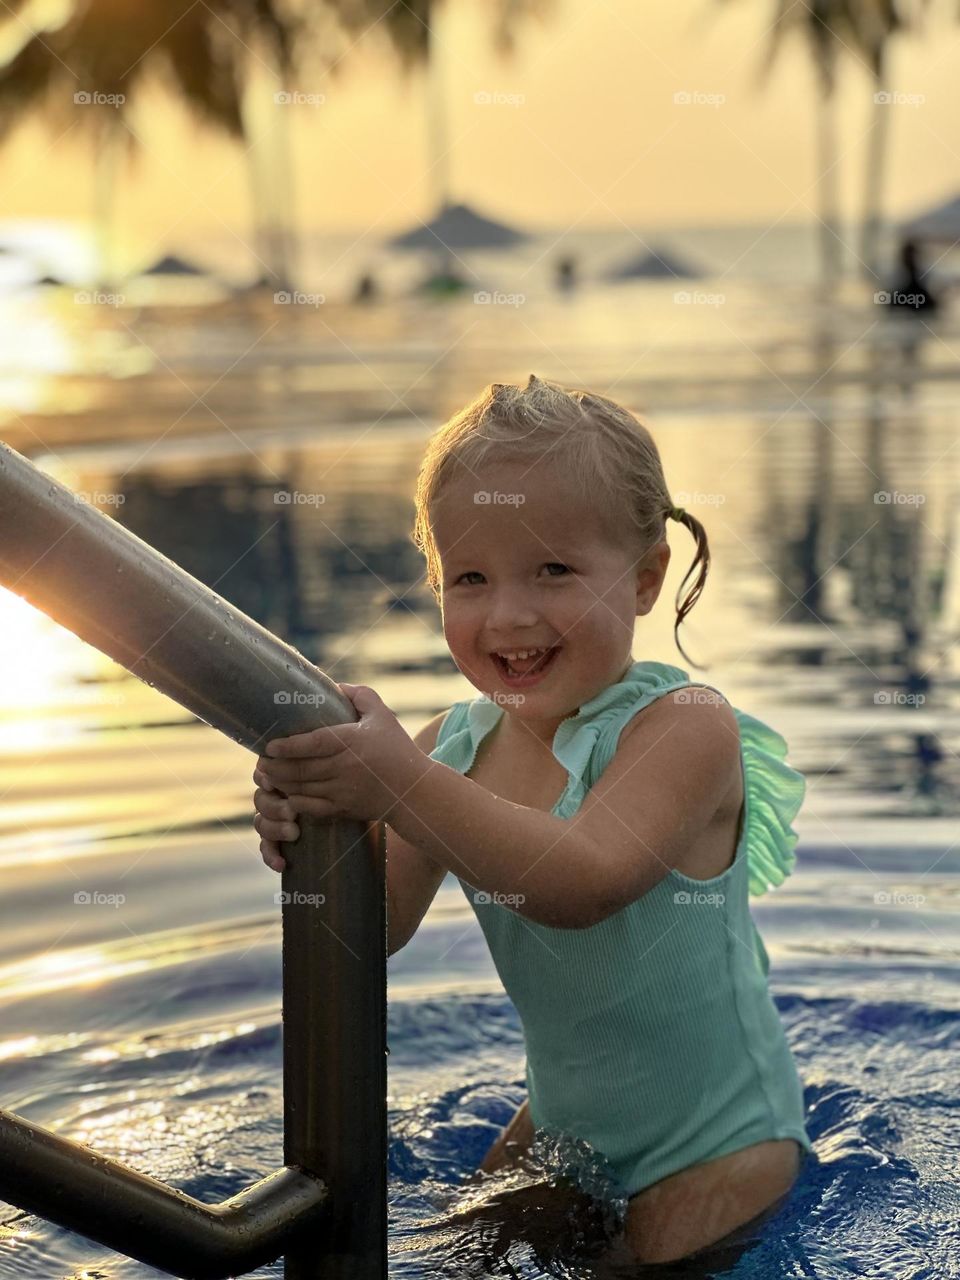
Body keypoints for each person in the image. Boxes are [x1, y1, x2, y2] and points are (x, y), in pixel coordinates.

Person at [251, 374, 815, 1265]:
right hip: (564, 1128)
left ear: (643, 579)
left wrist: (392, 784)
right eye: (469, 578)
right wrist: (313, 828)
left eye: (553, 569)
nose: (510, 614)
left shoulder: (685, 728)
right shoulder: (452, 747)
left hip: (720, 1143)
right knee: (444, 1255)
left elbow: (582, 881)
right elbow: (377, 928)